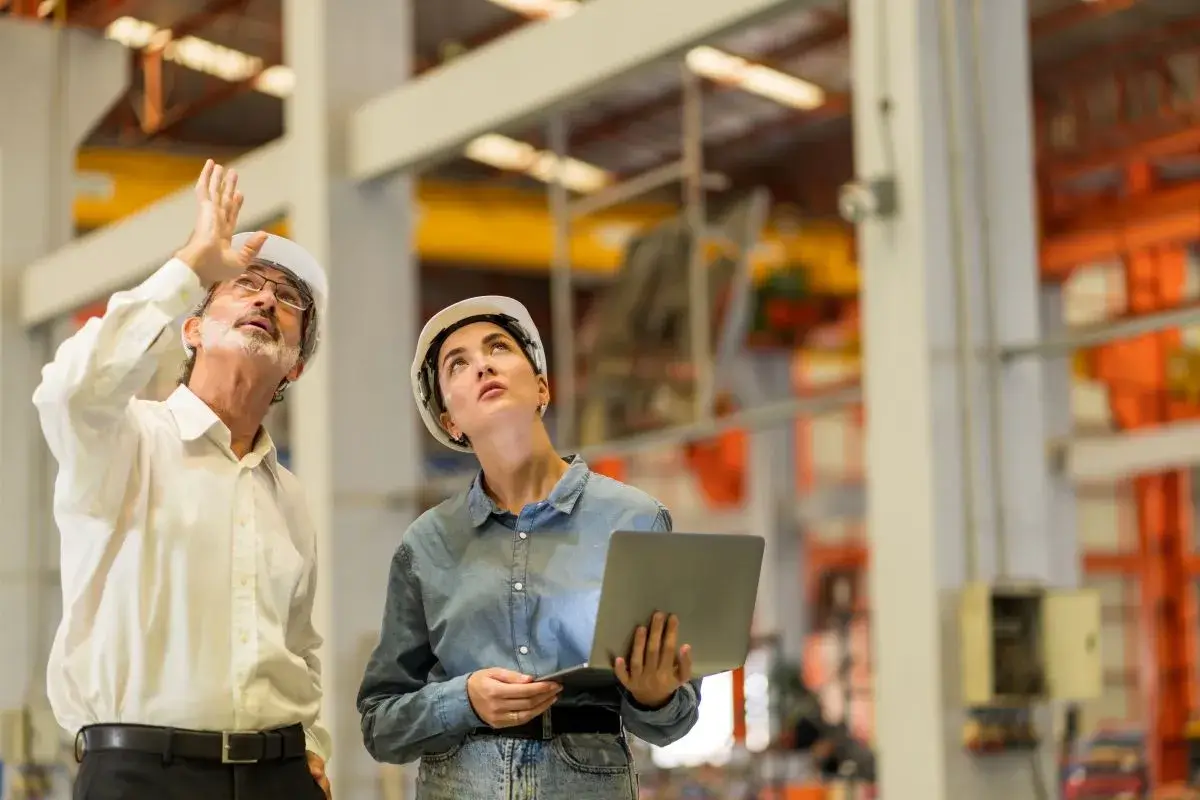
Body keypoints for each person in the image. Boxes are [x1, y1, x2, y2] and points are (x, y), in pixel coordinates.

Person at [35, 160, 333, 800]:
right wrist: (191, 268)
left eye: (289, 302)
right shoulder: (124, 440)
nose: (265, 300)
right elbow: (66, 391)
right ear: (192, 328)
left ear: (297, 368)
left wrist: (310, 747)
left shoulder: (292, 497)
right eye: (245, 285)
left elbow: (302, 646)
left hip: (278, 777)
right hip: (141, 774)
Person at [357, 296, 702, 799]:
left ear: (541, 388)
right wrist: (465, 700)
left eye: (498, 347)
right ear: (450, 421)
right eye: (459, 364)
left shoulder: (634, 519)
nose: (483, 365)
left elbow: (675, 721)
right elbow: (380, 724)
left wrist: (654, 696)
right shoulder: (426, 544)